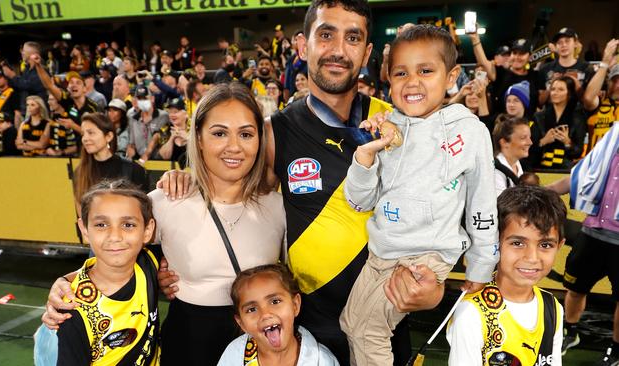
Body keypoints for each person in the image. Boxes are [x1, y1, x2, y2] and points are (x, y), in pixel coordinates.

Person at [156, 2, 445, 365]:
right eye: (326, 35)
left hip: (383, 326)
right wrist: (187, 179)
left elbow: (438, 217)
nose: (338, 50)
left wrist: (433, 289)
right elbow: (233, 198)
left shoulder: (398, 124)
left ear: (368, 51)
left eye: (352, 37)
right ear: (301, 45)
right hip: (309, 332)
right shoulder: (275, 132)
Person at [43, 83, 286, 366]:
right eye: (219, 133)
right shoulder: (164, 202)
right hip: (186, 347)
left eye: (246, 134)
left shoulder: (280, 208)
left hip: (261, 348)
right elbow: (112, 251)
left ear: (260, 140)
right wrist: (66, 285)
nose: (234, 146)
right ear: (199, 137)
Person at [339, 24, 499, 366]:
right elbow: (360, 201)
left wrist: (482, 265)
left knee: (368, 333)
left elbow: (482, 202)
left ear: (451, 75)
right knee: (351, 324)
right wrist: (365, 161)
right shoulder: (385, 127)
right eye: (401, 73)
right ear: (388, 79)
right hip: (380, 252)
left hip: (423, 256)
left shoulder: (470, 132)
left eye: (425, 70)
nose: (412, 81)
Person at [446, 185, 566, 366]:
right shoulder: (471, 312)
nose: (532, 258)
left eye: (545, 245)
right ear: (494, 242)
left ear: (559, 246)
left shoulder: (553, 308)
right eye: (518, 243)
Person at [54, 179, 160, 365]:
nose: (115, 236)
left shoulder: (147, 261)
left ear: (147, 230)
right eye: (101, 225)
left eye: (128, 225)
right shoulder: (73, 309)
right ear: (84, 230)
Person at [547, 123, 619, 364]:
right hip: (592, 232)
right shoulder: (607, 148)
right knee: (575, 288)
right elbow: (578, 177)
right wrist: (546, 192)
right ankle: (571, 331)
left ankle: (616, 350)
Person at [218, 264, 339, 366]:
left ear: (295, 305)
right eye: (252, 309)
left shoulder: (323, 361)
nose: (265, 314)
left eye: (275, 301)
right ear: (242, 323)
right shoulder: (233, 355)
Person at [73, 112, 148, 205]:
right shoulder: (80, 172)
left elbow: (143, 208)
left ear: (109, 136)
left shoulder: (132, 169)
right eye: (83, 134)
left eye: (91, 133)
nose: (85, 138)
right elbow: (81, 211)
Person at [470, 32, 545, 116]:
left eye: (522, 54)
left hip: (527, 126)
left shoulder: (535, 76)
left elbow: (540, 102)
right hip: (502, 125)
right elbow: (483, 63)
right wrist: (475, 39)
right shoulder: (501, 73)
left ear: (530, 57)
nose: (517, 57)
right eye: (514, 53)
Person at [529, 76, 586, 170]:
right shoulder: (539, 117)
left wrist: (567, 142)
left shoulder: (578, 118)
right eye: (553, 89)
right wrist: (543, 141)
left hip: (565, 170)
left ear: (569, 93)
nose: (555, 93)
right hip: (539, 168)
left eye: (561, 89)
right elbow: (529, 149)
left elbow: (578, 152)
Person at [35, 62, 99, 135]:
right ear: (68, 88)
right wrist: (38, 65)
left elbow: (93, 133)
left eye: (78, 83)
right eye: (71, 82)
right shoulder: (67, 99)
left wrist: (73, 126)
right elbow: (49, 85)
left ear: (84, 89)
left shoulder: (92, 107)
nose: (74, 85)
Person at [581, 40, 619, 155]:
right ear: (607, 81)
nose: (618, 85)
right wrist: (605, 62)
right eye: (614, 80)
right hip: (595, 168)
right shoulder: (600, 101)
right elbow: (588, 98)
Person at [539, 28, 593, 92]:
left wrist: (575, 83)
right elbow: (540, 100)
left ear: (575, 43)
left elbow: (591, 99)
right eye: (559, 42)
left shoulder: (586, 68)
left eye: (567, 41)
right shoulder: (545, 69)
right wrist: (552, 86)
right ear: (556, 46)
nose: (563, 45)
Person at [126, 86, 169, 162]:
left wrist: (145, 156)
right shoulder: (133, 118)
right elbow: (131, 143)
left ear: (152, 99)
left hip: (159, 161)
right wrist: (129, 158)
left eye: (145, 98)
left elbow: (156, 137)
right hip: (139, 159)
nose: (142, 101)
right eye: (139, 99)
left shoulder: (163, 116)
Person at [492, 116, 532, 195]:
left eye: (529, 137)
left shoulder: (517, 164)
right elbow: (502, 205)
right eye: (523, 138)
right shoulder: (495, 172)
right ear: (504, 142)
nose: (530, 142)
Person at [156, 97, 188, 166]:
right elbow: (165, 156)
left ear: (186, 114)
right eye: (170, 112)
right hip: (170, 172)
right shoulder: (164, 130)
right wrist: (172, 138)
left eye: (175, 112)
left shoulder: (194, 129)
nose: (172, 115)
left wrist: (188, 138)